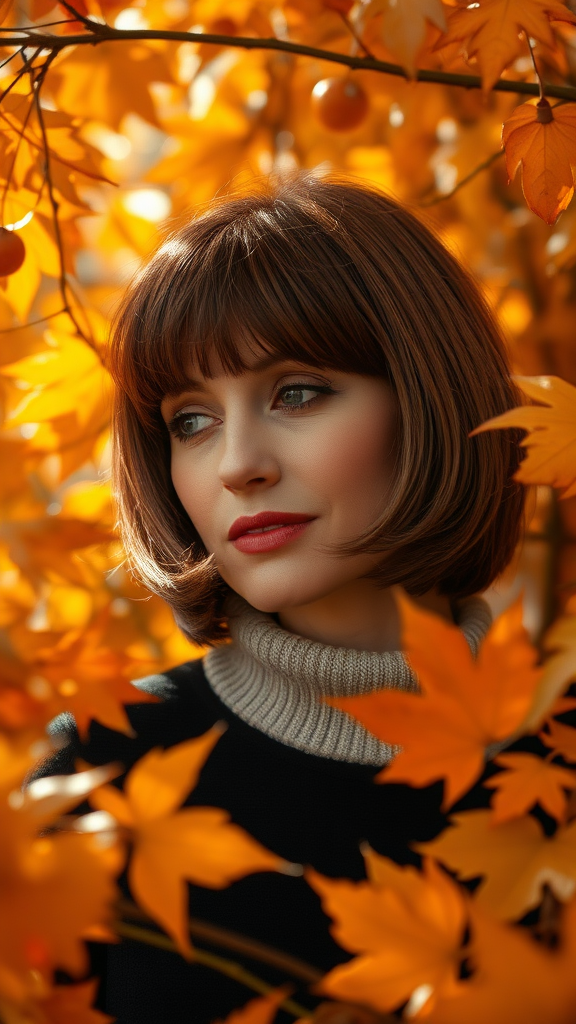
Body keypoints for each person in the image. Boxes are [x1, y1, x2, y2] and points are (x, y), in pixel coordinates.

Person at [42, 174, 524, 1023]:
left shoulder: (552, 762)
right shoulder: (95, 772)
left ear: (429, 396)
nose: (236, 464)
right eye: (191, 420)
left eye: (296, 392)